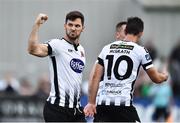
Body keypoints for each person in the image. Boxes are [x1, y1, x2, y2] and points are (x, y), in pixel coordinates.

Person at [83, 17, 168, 122]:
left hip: (103, 105)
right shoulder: (140, 51)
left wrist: (91, 102)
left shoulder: (107, 48)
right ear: (141, 33)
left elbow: (95, 76)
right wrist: (164, 76)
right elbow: (156, 78)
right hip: (123, 106)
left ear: (126, 31)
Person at [28, 11, 86, 122]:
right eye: (70, 25)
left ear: (83, 28)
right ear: (65, 26)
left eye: (77, 25)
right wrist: (37, 25)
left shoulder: (81, 50)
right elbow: (32, 49)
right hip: (57, 110)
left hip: (76, 110)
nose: (73, 28)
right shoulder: (57, 45)